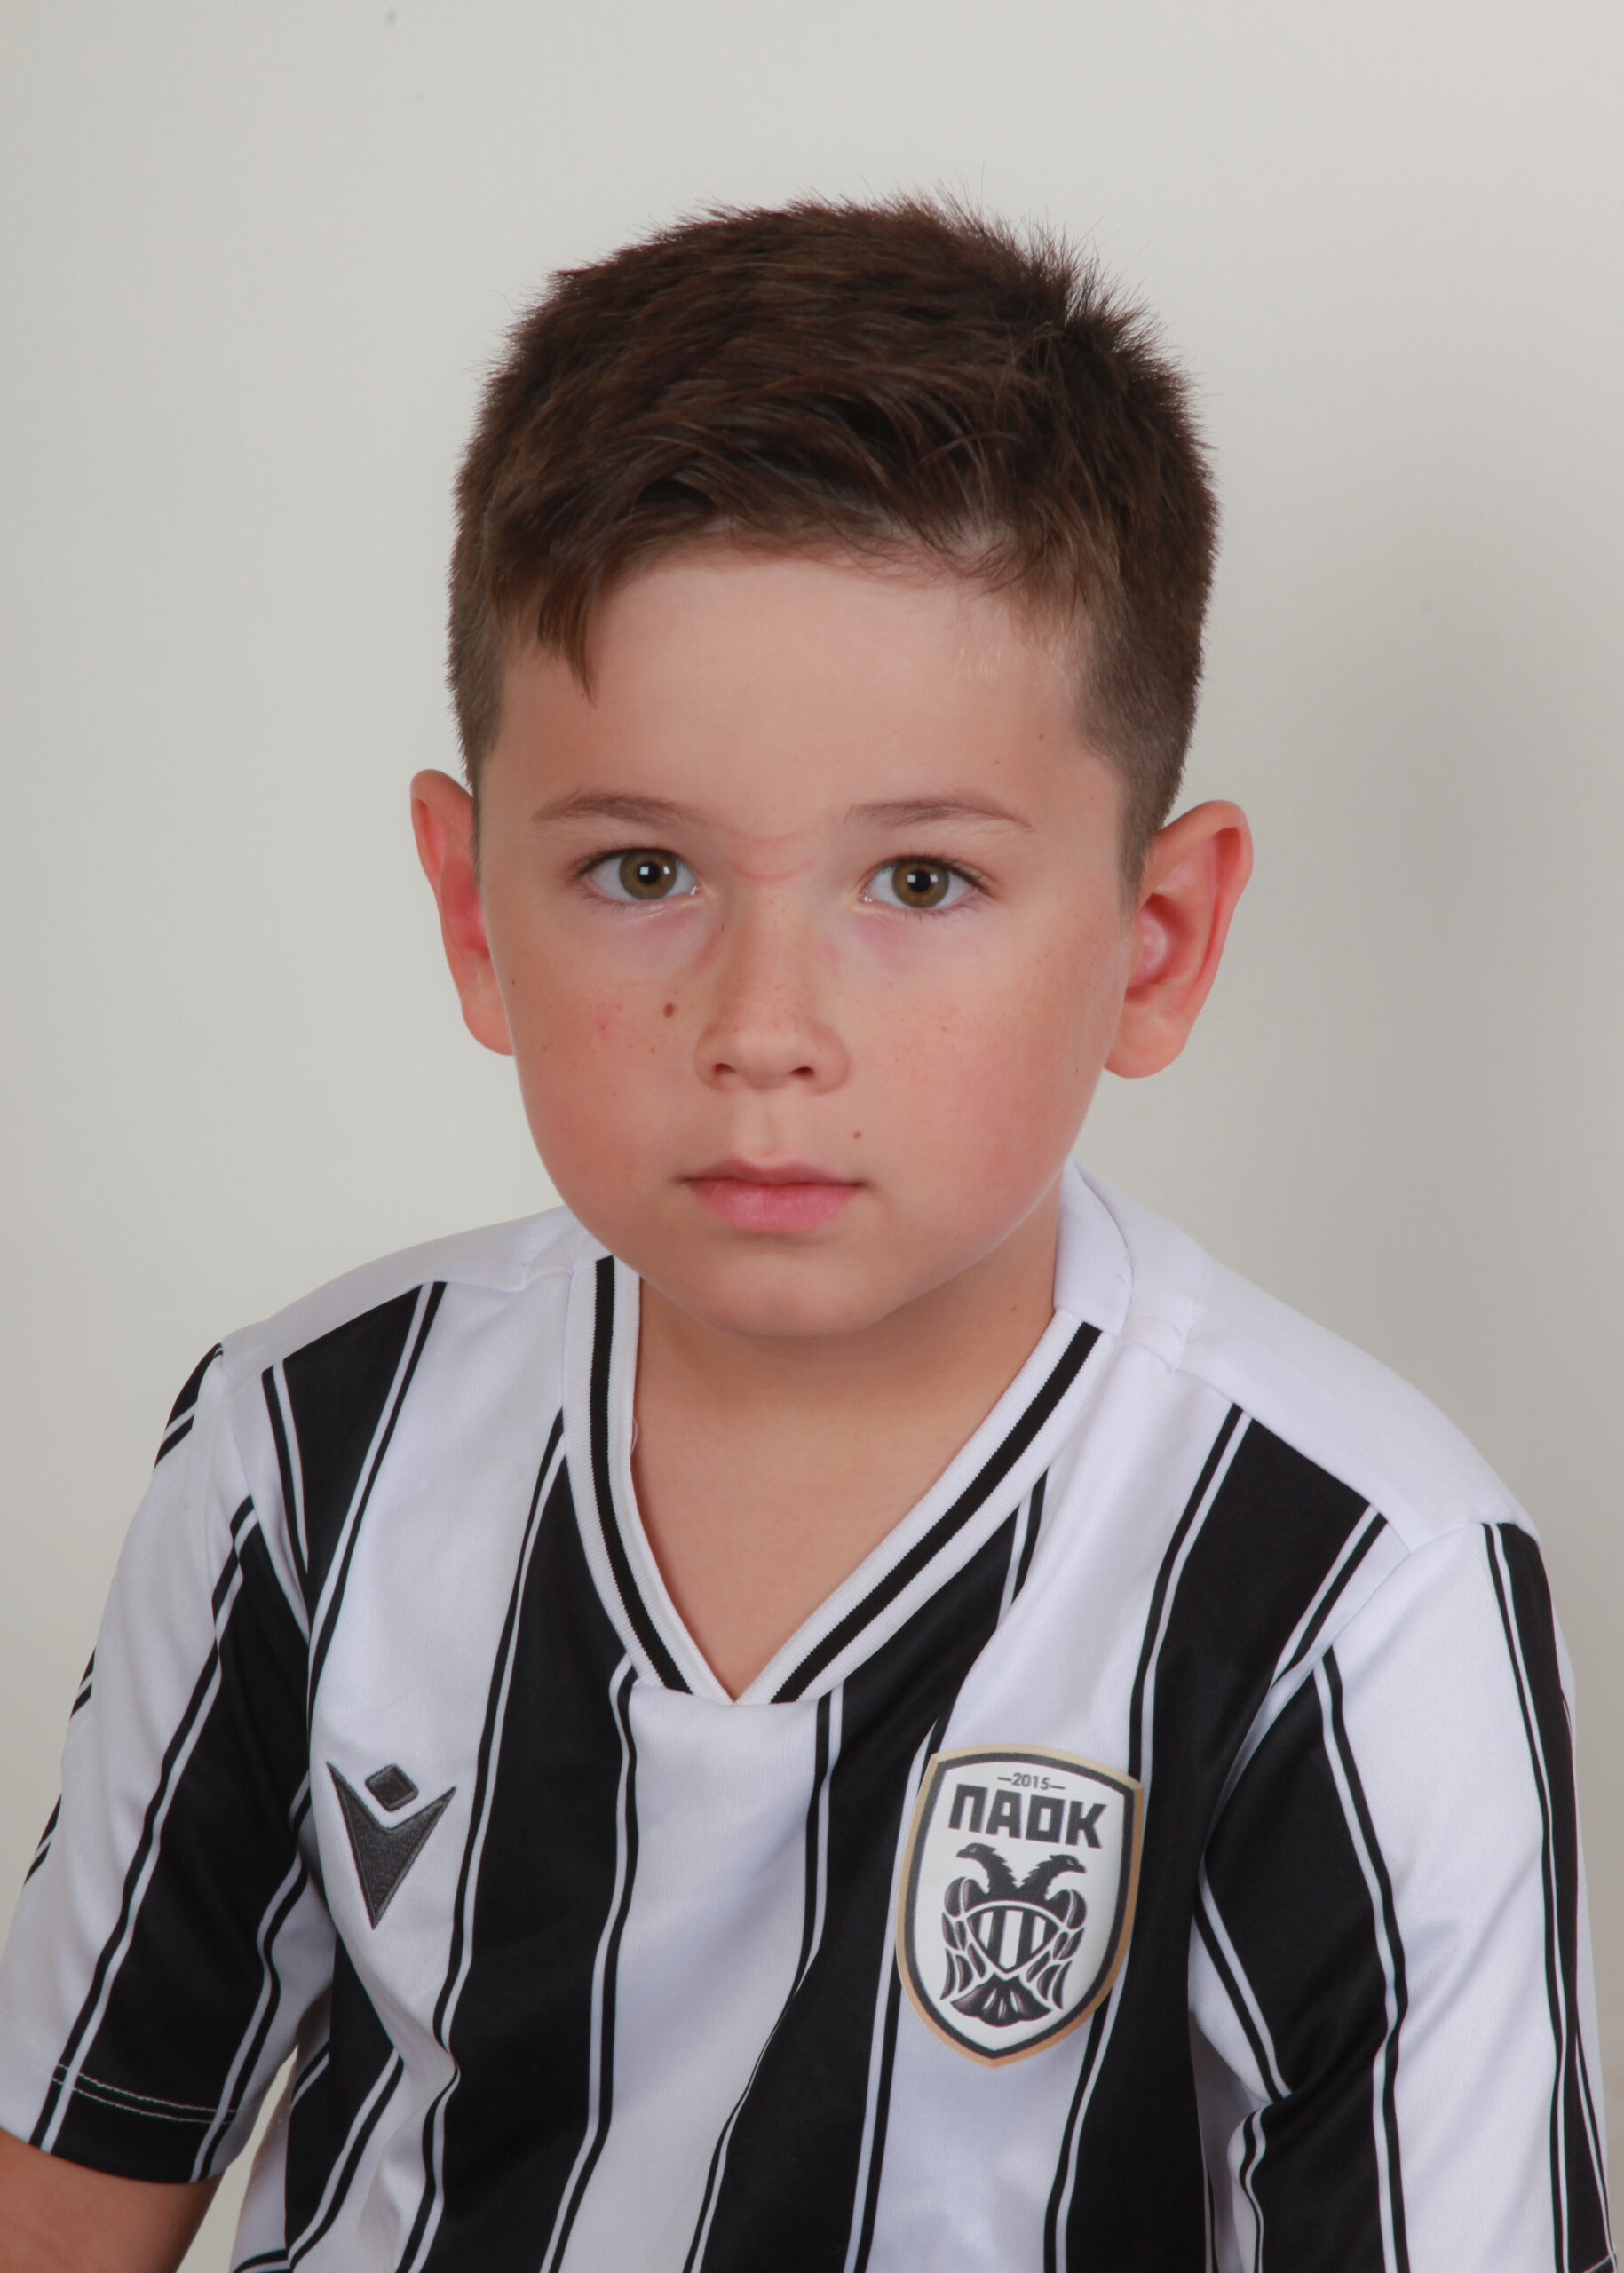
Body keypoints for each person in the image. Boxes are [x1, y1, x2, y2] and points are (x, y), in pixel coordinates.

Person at [0, 199, 1609, 2273]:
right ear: (472, 907)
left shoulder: (1354, 1580)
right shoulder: (306, 1450)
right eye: (643, 868)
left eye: (919, 881)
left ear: (1157, 937)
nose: (765, 1028)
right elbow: (66, 2197)